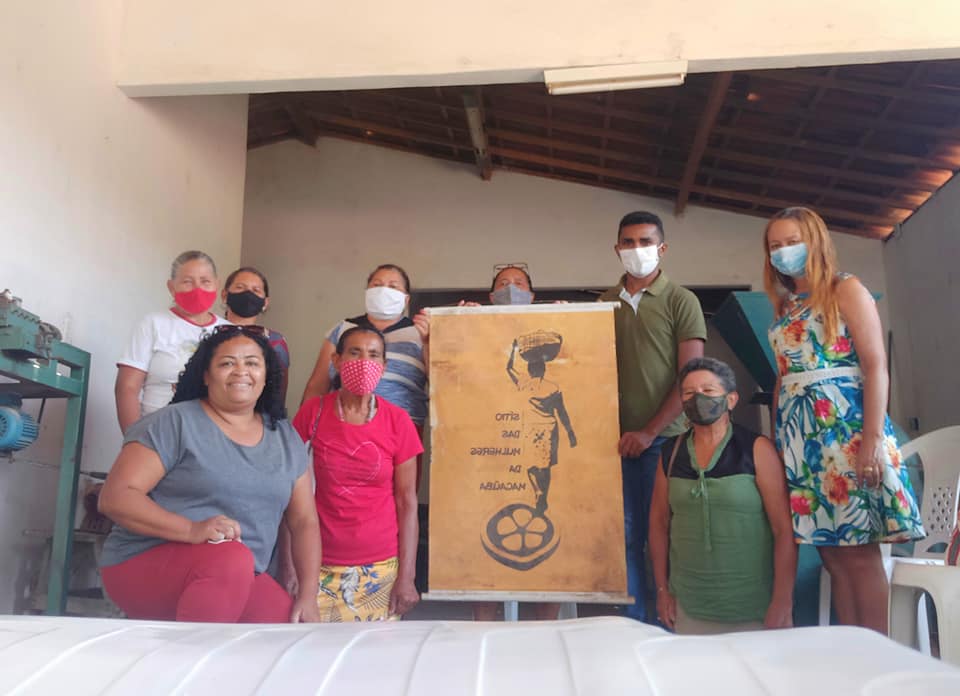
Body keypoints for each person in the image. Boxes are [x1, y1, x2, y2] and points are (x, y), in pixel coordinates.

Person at [764, 206, 924, 633]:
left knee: (859, 554)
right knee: (832, 555)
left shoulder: (846, 288)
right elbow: (783, 378)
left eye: (792, 242)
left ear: (814, 241)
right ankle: (854, 653)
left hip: (846, 432)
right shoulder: (785, 305)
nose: (783, 252)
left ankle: (880, 655)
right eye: (775, 246)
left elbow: (875, 365)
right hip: (803, 442)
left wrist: (871, 438)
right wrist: (780, 441)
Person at [98, 325, 321, 623]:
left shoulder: (285, 437)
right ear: (206, 375)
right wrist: (192, 529)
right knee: (231, 558)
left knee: (283, 631)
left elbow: (304, 521)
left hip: (237, 573)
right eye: (227, 363)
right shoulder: (174, 422)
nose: (241, 371)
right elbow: (116, 497)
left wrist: (308, 594)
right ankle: (192, 653)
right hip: (146, 561)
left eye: (252, 363)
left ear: (266, 375)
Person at [414, 265, 564, 621]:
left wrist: (574, 321)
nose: (511, 288)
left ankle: (546, 629)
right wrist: (441, 335)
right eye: (503, 283)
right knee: (481, 539)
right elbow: (441, 377)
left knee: (552, 536)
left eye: (519, 283)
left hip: (539, 446)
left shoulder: (552, 333)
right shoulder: (474, 329)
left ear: (533, 296)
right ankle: (482, 625)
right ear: (491, 295)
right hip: (485, 450)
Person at [598, 211, 707, 623]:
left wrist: (648, 431)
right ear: (617, 249)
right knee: (622, 538)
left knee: (663, 536)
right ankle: (630, 627)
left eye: (645, 242)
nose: (637, 249)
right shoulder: (603, 304)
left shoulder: (681, 300)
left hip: (665, 441)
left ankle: (668, 626)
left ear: (662, 248)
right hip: (612, 444)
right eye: (628, 242)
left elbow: (690, 377)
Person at [649, 357, 796, 634]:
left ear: (731, 399)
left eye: (708, 391)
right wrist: (661, 590)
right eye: (689, 393)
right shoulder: (671, 453)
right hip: (688, 606)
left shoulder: (757, 449)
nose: (698, 399)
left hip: (753, 607)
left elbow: (783, 530)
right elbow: (658, 523)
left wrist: (782, 600)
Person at [291, 326, 422, 621]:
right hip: (316, 566)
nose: (364, 362)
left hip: (380, 570)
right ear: (336, 361)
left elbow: (407, 502)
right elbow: (290, 497)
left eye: (373, 355)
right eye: (355, 353)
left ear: (384, 366)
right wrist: (289, 568)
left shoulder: (398, 421)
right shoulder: (312, 413)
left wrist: (407, 576)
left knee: (377, 650)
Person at [116, 250, 230, 434]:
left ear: (216, 285)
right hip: (159, 432)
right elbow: (127, 388)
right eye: (187, 282)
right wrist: (134, 440)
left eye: (205, 281)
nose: (197, 289)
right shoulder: (153, 324)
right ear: (171, 287)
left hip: (214, 435)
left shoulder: (230, 332)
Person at [301, 264, 427, 429]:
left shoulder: (421, 333)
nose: (383, 291)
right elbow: (317, 385)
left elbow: (442, 384)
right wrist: (304, 426)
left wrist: (429, 341)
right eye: (377, 285)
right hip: (340, 424)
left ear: (406, 299)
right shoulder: (343, 329)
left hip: (402, 428)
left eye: (393, 286)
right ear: (367, 292)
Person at [222, 266, 291, 403]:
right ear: (225, 295)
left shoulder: (275, 342)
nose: (248, 294)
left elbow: (278, 395)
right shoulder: (209, 334)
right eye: (240, 287)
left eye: (256, 290)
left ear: (265, 302)